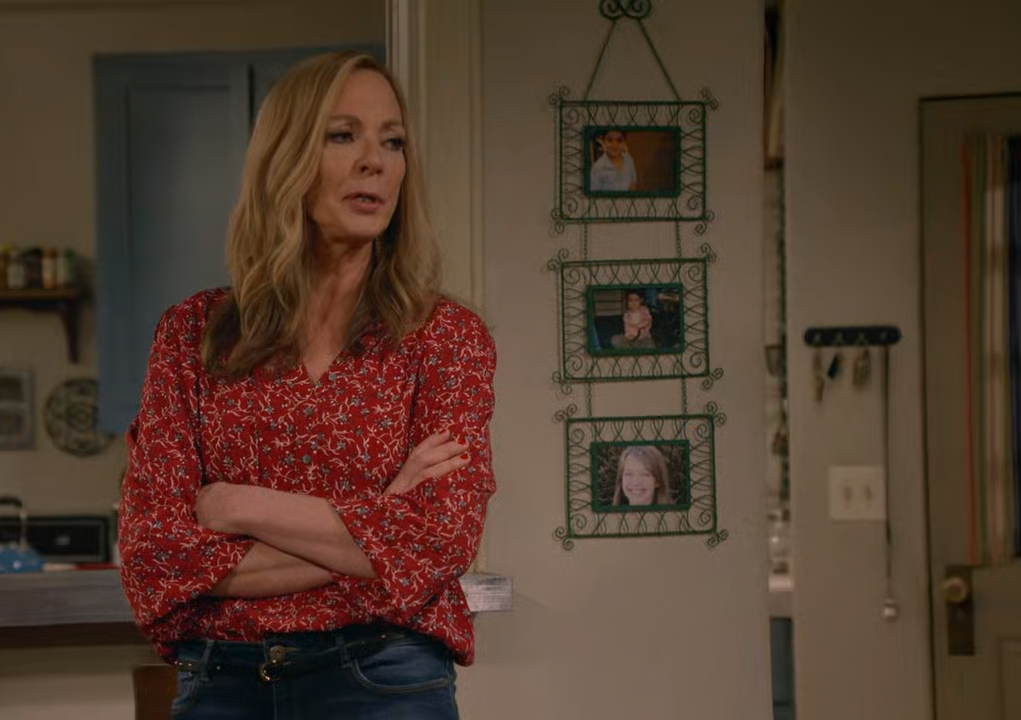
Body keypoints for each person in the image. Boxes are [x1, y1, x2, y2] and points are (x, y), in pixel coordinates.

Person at [117, 50, 497, 720]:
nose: (375, 162)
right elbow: (155, 560)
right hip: (223, 681)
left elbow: (439, 541)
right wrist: (379, 518)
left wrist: (234, 504)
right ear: (286, 159)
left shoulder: (444, 337)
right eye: (343, 135)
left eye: (393, 142)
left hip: (385, 676)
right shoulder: (191, 335)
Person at [589, 128, 638, 193]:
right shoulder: (597, 168)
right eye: (610, 140)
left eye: (619, 140)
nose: (614, 145)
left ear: (625, 142)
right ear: (603, 141)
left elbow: (632, 184)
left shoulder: (629, 159)